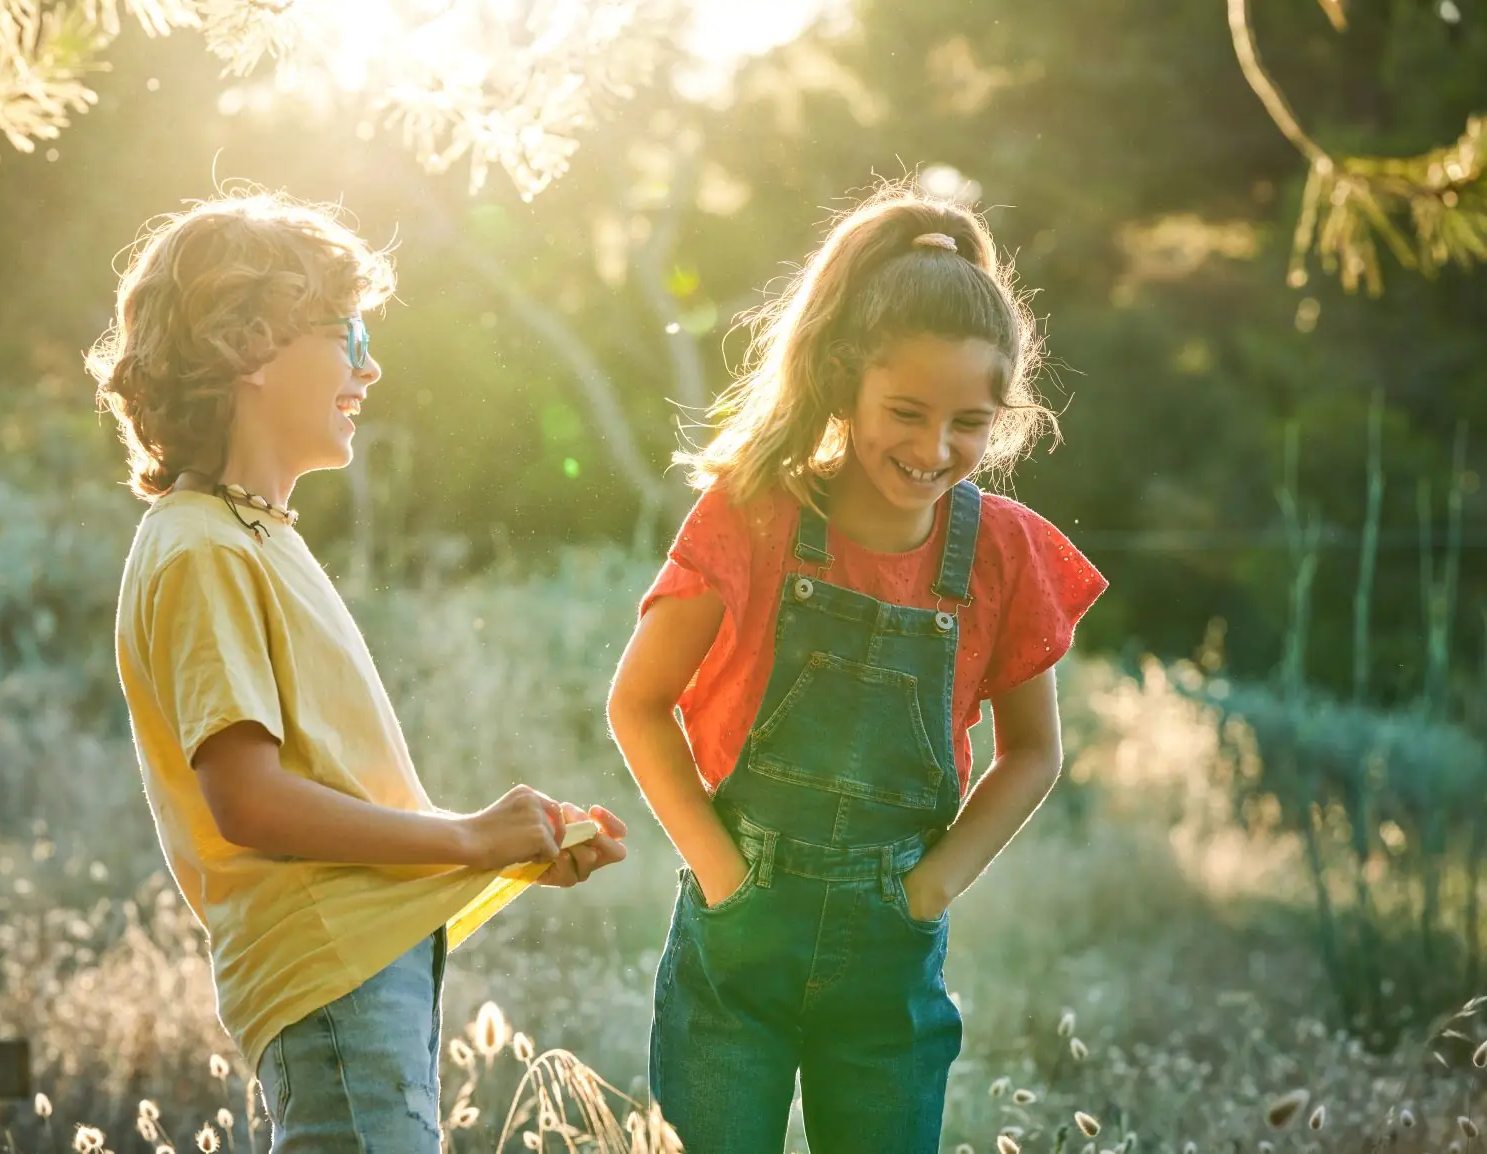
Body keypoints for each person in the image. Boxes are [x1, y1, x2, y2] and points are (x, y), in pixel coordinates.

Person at [88, 191, 627, 1153]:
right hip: (331, 977)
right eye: (349, 332)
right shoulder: (201, 547)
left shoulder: (256, 535)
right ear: (247, 347)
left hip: (362, 971)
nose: (370, 364)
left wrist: (496, 845)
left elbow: (324, 790)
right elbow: (249, 803)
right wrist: (464, 837)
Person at [606, 183, 1106, 1154]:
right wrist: (721, 872)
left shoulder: (1002, 551)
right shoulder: (752, 511)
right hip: (739, 932)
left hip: (891, 949)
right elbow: (637, 701)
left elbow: (1034, 752)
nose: (932, 448)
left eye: (967, 420)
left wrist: (930, 888)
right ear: (844, 380)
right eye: (906, 411)